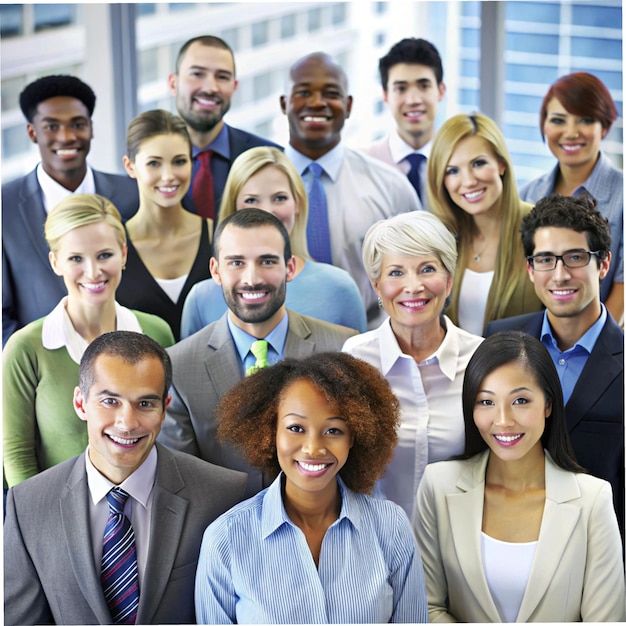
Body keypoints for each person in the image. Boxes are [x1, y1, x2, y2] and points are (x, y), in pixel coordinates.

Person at [4, 330, 247, 625]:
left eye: (145, 404)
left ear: (164, 408)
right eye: (110, 401)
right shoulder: (27, 505)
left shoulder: (223, 495)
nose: (127, 423)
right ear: (81, 404)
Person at [195, 351, 428, 624]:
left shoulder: (390, 526)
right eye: (296, 428)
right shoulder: (225, 540)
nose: (313, 449)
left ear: (355, 437)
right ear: (271, 432)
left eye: (333, 431)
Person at [415, 331, 626, 622]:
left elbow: (605, 620)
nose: (503, 421)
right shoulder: (438, 486)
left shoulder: (593, 500)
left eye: (521, 401)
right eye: (486, 402)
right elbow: (426, 607)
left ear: (548, 405)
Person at [158, 209, 358, 497]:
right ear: (216, 270)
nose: (251, 278)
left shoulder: (343, 348)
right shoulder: (179, 365)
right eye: (236, 263)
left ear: (290, 268)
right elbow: (183, 484)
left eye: (267, 261)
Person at [3, 194, 174, 488]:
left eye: (104, 255)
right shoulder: (25, 348)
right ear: (55, 262)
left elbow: (168, 432)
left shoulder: (157, 333)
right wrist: (36, 523)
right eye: (76, 259)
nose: (93, 272)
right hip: (56, 517)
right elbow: (17, 455)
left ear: (123, 253)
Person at [484, 194, 624, 537]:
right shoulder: (498, 338)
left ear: (603, 264)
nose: (560, 275)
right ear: (531, 269)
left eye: (575, 257)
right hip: (503, 535)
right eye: (546, 259)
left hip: (597, 547)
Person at [343, 211, 483, 518]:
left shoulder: (480, 359)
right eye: (396, 273)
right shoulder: (355, 358)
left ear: (449, 280)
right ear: (377, 286)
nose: (413, 286)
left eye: (427, 269)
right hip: (376, 545)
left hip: (460, 541)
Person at [280, 51, 421, 329]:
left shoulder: (390, 186)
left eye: (330, 93)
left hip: (371, 343)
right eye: (304, 92)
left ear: (348, 105)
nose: (317, 102)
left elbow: (421, 272)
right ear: (284, 103)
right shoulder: (253, 189)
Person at [2, 74, 139, 345]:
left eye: (78, 124)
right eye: (52, 126)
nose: (67, 137)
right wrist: (34, 367)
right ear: (33, 132)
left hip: (128, 352)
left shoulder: (131, 194)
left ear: (91, 127)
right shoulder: (4, 208)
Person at [181, 146, 367, 337]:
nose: (267, 212)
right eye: (251, 200)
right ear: (233, 208)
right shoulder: (201, 300)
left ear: (298, 204)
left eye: (279, 198)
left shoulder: (339, 288)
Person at [520, 72, 623, 323]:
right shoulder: (528, 195)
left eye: (585, 120)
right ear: (544, 125)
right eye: (558, 120)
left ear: (605, 126)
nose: (571, 132)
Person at [428, 112, 542, 335]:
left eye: (478, 163)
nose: (469, 181)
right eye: (452, 171)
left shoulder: (541, 229)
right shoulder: (442, 239)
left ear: (501, 164)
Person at [116, 109, 212, 340]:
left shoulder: (219, 235)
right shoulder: (112, 245)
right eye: (154, 164)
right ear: (130, 166)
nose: (168, 175)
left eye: (179, 161)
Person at [168, 35, 281, 222]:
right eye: (197, 74)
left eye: (222, 77)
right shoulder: (146, 163)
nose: (211, 87)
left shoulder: (271, 159)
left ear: (234, 87)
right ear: (173, 83)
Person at [360, 37, 446, 209]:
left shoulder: (459, 163)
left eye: (423, 86)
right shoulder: (362, 166)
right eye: (401, 88)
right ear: (385, 96)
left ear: (440, 91)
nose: (413, 100)